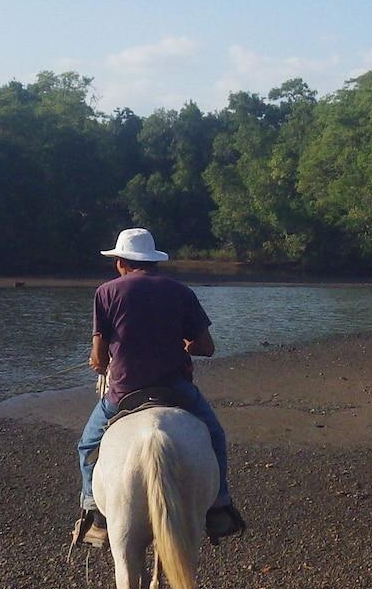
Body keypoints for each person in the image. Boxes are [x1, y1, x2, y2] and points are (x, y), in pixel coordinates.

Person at [70, 227, 245, 548]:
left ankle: (95, 514)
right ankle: (218, 506)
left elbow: (98, 355)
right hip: (175, 388)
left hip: (124, 390)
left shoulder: (106, 293)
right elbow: (206, 346)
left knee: (86, 445)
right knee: (215, 436)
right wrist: (183, 344)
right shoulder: (180, 292)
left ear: (121, 262)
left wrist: (98, 363)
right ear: (153, 262)